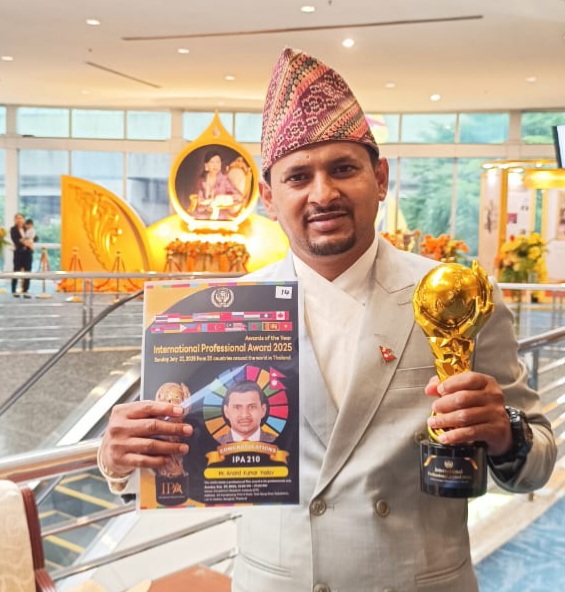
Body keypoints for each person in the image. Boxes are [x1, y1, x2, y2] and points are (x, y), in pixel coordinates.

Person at [99, 48, 556, 592]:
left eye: (343, 169)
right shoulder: (222, 315)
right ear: (269, 198)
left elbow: (539, 458)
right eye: (298, 177)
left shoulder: (455, 297)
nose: (323, 194)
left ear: (380, 177)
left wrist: (505, 434)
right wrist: (118, 457)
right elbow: (176, 455)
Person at [192, 150, 243, 220]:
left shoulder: (224, 179)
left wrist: (222, 199)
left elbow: (239, 197)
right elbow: (200, 200)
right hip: (203, 213)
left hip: (220, 215)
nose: (215, 165)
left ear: (220, 164)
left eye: (218, 162)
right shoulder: (202, 180)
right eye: (212, 162)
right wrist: (204, 203)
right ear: (206, 165)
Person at [10, 213, 32, 298]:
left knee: (28, 272)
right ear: (14, 220)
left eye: (20, 218)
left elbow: (35, 237)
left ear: (23, 219)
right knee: (16, 271)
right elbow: (16, 241)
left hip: (27, 253)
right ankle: (14, 290)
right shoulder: (13, 229)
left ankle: (25, 290)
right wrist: (26, 242)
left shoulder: (27, 228)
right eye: (17, 218)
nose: (19, 220)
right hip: (18, 254)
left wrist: (28, 241)